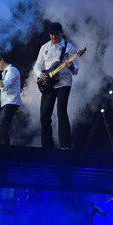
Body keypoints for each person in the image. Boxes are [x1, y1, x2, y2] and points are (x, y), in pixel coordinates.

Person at [35, 21, 78, 149]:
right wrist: (40, 74)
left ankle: (65, 146)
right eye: (51, 34)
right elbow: (37, 65)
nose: (53, 37)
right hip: (48, 83)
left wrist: (71, 66)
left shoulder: (69, 47)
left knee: (61, 111)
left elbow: (76, 70)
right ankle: (47, 147)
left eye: (56, 34)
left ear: (62, 33)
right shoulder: (44, 47)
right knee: (44, 115)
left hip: (64, 82)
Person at [0, 52, 22, 145]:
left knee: (1, 128)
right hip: (6, 103)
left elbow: (4, 86)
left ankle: (6, 151)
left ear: (2, 60)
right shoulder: (5, 72)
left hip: (11, 103)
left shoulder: (12, 70)